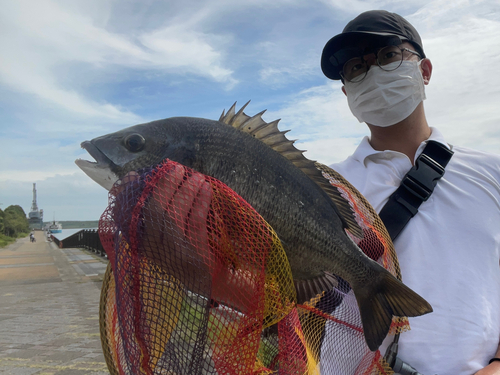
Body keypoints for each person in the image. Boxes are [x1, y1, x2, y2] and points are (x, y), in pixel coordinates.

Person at [319, 10, 500, 375]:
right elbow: (279, 289)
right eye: (355, 67)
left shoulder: (492, 172)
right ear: (347, 92)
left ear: (425, 70)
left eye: (388, 56)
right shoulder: (324, 185)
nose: (371, 72)